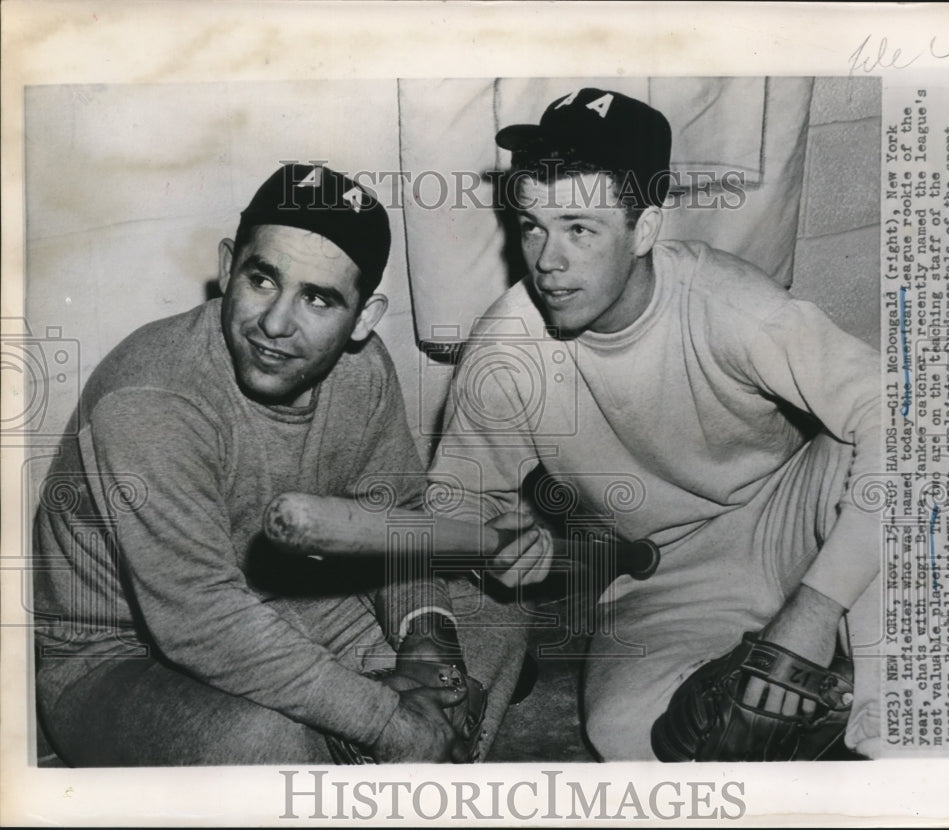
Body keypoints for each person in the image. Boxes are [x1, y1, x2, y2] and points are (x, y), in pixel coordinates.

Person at [426, 88, 881, 760]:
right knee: (626, 733)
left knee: (889, 491)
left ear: (643, 230)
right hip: (667, 571)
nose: (547, 260)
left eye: (580, 229)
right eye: (532, 226)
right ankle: (807, 699)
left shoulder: (729, 303)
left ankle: (860, 700)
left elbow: (907, 417)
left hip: (794, 509)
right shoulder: (506, 353)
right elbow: (452, 506)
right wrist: (497, 546)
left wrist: (813, 611)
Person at [33, 163, 526, 766]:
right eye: (263, 279)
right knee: (265, 741)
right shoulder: (151, 397)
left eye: (317, 298)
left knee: (493, 615)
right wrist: (387, 720)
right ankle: (396, 743)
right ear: (227, 268)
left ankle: (387, 745)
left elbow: (397, 528)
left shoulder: (364, 370)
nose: (274, 324)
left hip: (303, 605)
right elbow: (202, 622)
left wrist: (428, 644)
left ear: (364, 318)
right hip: (125, 656)